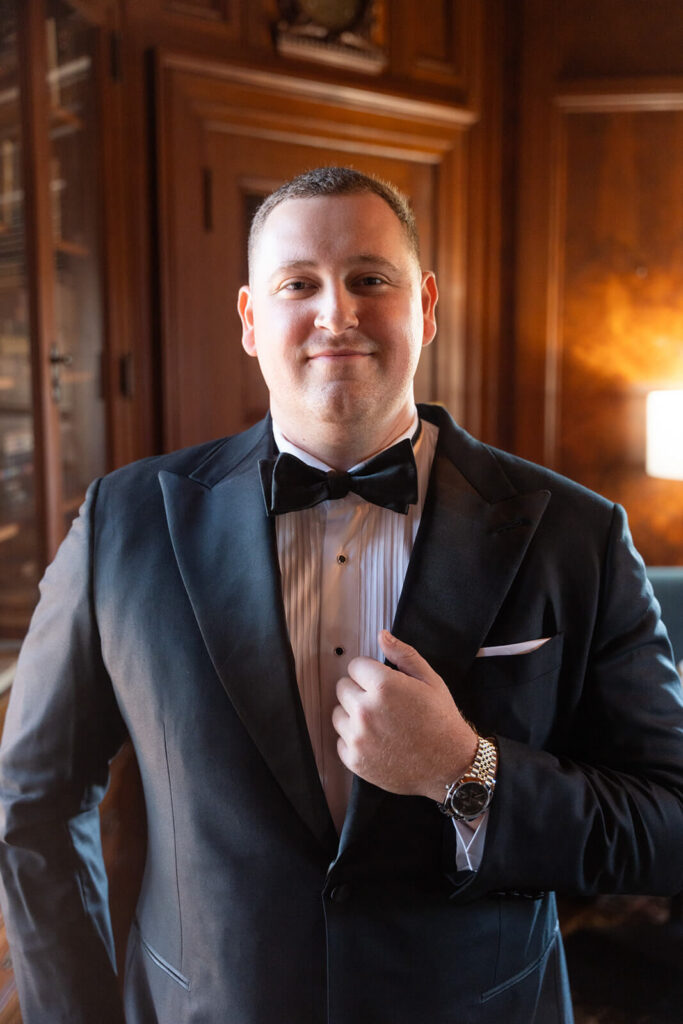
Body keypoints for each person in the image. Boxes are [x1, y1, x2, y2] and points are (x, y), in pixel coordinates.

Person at [0, 166, 682, 1024]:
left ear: (424, 307)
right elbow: (33, 802)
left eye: (369, 279)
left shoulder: (576, 535)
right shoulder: (122, 523)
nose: (337, 313)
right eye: (298, 284)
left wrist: (464, 772)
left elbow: (668, 825)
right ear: (250, 320)